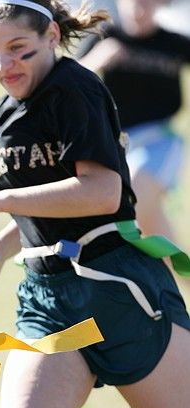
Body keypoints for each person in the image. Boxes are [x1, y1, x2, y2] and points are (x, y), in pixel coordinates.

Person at [0, 0, 190, 408]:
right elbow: (46, 207)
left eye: (18, 49)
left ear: (51, 36)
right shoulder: (1, 114)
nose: (3, 64)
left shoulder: (75, 89)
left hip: (123, 293)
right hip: (50, 299)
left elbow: (101, 193)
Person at [78, 0, 190, 287]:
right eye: (134, 3)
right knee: (148, 218)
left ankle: (155, 282)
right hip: (116, 143)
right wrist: (96, 62)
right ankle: (182, 278)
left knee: (134, 197)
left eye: (148, 4)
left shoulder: (174, 43)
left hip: (158, 140)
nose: (140, 10)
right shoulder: (105, 37)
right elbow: (70, 83)